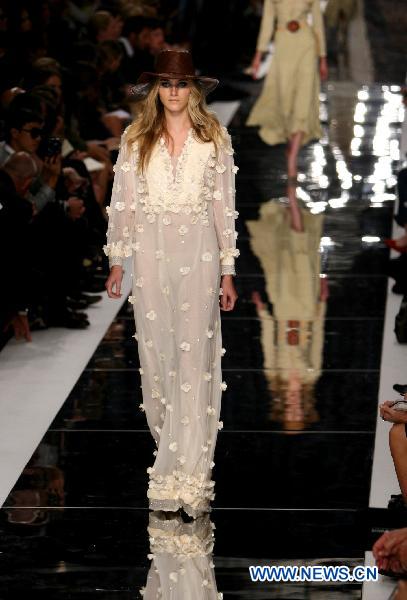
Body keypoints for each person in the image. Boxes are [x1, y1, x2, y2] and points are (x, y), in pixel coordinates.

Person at [104, 49, 239, 518]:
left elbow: (224, 205)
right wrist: (118, 259)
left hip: (199, 252)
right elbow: (122, 201)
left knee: (195, 360)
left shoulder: (214, 137)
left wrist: (227, 269)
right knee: (158, 358)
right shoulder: (136, 138)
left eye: (181, 84)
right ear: (156, 90)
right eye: (166, 84)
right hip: (151, 252)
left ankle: (191, 474)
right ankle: (169, 458)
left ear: (194, 89)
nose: (175, 91)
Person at [247, 0, 328, 185]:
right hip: (283, 45)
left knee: (304, 99)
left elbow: (317, 22)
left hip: (307, 45)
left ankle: (293, 157)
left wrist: (322, 57)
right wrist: (258, 55)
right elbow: (267, 23)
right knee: (285, 102)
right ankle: (291, 143)